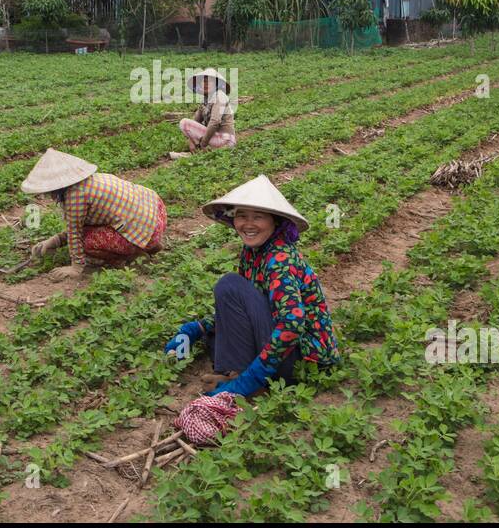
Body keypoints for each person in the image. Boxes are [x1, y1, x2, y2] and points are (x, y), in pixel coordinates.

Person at [164, 175, 340, 397]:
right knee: (218, 331)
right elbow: (245, 308)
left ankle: (247, 381)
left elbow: (292, 324)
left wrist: (251, 380)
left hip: (302, 359)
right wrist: (196, 329)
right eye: (241, 216)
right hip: (282, 349)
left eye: (258, 217)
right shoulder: (252, 252)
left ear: (275, 221)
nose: (248, 224)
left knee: (229, 285)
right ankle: (236, 375)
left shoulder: (279, 258)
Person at [21, 148, 167, 281]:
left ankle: (133, 255)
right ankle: (152, 245)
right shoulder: (92, 180)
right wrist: (54, 241)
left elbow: (75, 232)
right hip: (156, 214)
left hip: (146, 227)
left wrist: (76, 268)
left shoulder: (75, 196)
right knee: (98, 226)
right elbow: (83, 224)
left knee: (87, 242)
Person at [170, 68, 236, 160]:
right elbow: (196, 121)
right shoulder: (205, 100)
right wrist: (191, 141)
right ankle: (198, 153)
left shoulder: (220, 96)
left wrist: (203, 144)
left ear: (216, 84)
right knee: (188, 125)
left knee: (184, 122)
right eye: (203, 81)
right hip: (216, 138)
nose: (205, 84)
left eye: (209, 81)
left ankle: (200, 151)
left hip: (225, 140)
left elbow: (215, 121)